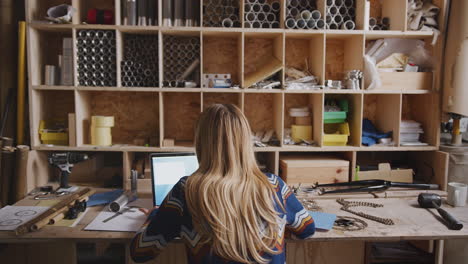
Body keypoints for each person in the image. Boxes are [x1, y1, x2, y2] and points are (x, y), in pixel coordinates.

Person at [130, 104, 315, 263]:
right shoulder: (275, 186)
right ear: (246, 141)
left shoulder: (186, 191)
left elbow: (140, 251)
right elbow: (307, 229)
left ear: (201, 143)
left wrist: (155, 215)